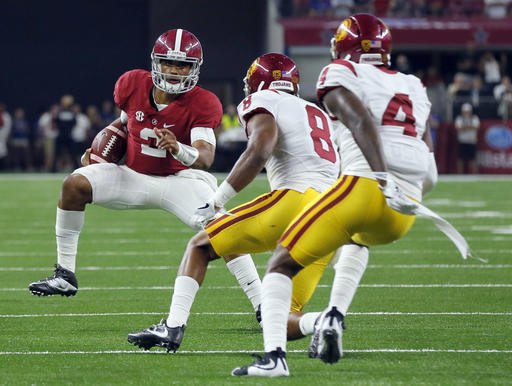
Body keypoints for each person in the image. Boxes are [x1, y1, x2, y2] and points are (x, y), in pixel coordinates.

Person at [232, 13, 436, 377]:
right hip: (404, 210)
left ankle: (274, 359)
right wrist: (408, 190)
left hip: (366, 185)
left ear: (343, 49)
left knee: (281, 263)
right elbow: (427, 161)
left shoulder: (339, 72)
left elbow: (360, 121)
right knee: (357, 240)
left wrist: (381, 175)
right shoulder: (414, 86)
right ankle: (335, 315)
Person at [28, 29, 262, 319]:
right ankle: (65, 275)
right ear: (155, 62)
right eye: (169, 63)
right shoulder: (132, 84)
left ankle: (262, 304)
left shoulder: (203, 102)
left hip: (180, 180)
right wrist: (102, 148)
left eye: (183, 65)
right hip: (133, 176)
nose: (175, 71)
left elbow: (205, 155)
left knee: (225, 229)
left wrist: (178, 148)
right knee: (74, 185)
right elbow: (126, 122)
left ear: (195, 69)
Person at [126, 53, 341, 353]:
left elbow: (259, 150)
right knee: (277, 316)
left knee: (200, 246)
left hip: (297, 199)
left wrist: (218, 200)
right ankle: (320, 322)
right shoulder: (316, 113)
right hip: (331, 214)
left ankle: (172, 328)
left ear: (259, 82)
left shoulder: (264, 100)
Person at [454, 103, 480, 174]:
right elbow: (458, 128)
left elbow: (476, 127)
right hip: (462, 141)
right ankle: (460, 174)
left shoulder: (475, 118)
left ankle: (473, 174)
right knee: (460, 159)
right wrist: (469, 127)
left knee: (473, 159)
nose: (466, 113)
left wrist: (464, 127)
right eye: (465, 111)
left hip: (472, 141)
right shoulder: (459, 118)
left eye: (468, 111)